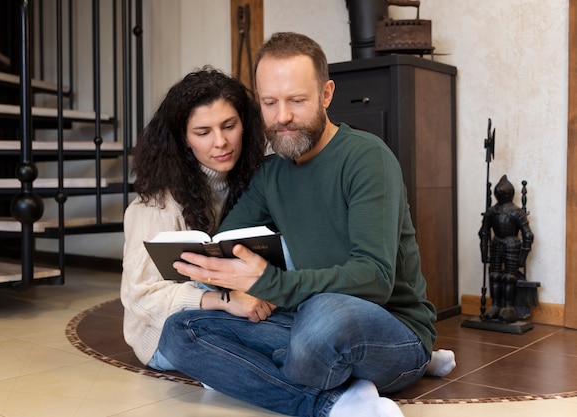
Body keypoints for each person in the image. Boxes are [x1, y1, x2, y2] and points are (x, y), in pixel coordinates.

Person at [159, 32, 454, 417]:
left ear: (326, 95)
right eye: (270, 103)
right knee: (180, 333)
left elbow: (375, 278)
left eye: (297, 101)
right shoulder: (270, 175)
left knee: (323, 317)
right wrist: (210, 266)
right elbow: (228, 242)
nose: (282, 117)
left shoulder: (367, 158)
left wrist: (270, 284)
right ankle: (333, 401)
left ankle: (270, 375)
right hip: (305, 325)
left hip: (390, 328)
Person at [120, 66, 269, 371]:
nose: (221, 142)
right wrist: (226, 300)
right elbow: (140, 297)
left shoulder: (255, 181)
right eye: (203, 132)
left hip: (239, 305)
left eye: (229, 126)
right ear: (184, 139)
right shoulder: (156, 204)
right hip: (165, 333)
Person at [479, 174, 534, 323]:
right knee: (494, 275)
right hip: (497, 243)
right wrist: (484, 253)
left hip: (511, 244)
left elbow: (527, 235)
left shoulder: (516, 212)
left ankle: (508, 307)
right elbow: (484, 233)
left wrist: (522, 258)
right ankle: (495, 305)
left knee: (509, 277)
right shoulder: (491, 212)